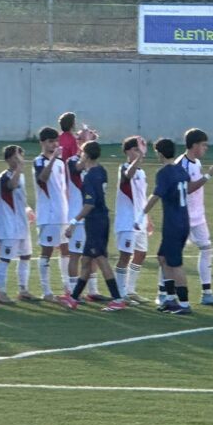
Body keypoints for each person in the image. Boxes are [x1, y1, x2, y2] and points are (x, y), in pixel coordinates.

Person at [143, 138, 213, 315]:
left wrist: (142, 213)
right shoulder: (181, 171)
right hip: (183, 221)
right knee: (162, 257)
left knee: (175, 264)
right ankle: (170, 298)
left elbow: (156, 196)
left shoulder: (164, 173)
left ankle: (184, 304)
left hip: (174, 223)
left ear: (159, 154)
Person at [62, 140, 127, 311]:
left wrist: (73, 223)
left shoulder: (90, 176)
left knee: (100, 259)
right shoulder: (102, 171)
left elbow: (89, 204)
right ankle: (74, 298)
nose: (80, 156)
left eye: (82, 152)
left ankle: (117, 298)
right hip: (102, 219)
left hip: (95, 221)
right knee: (86, 260)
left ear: (87, 155)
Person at [177, 128, 213, 306]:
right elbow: (188, 188)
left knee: (207, 248)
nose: (206, 148)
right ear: (194, 145)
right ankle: (164, 292)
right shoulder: (182, 164)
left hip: (198, 216)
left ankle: (207, 293)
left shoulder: (195, 162)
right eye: (204, 145)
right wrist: (208, 176)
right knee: (173, 255)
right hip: (184, 216)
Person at [64, 127, 103, 301]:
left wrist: (92, 146)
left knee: (93, 254)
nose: (81, 139)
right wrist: (87, 148)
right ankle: (73, 292)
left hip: (92, 215)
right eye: (80, 138)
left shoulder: (93, 164)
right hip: (77, 215)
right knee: (75, 254)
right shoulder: (72, 161)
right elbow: (79, 167)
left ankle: (93, 291)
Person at [0, 145, 36, 303]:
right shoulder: (4, 176)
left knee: (26, 255)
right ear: (9, 159)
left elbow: (20, 196)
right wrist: (20, 168)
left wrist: (27, 208)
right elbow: (11, 186)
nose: (20, 159)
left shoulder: (21, 176)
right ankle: (1, 291)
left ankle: (23, 289)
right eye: (17, 156)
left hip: (21, 223)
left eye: (21, 156)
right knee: (5, 258)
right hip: (9, 225)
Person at [33, 126, 70, 303]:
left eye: (56, 141)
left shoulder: (61, 164)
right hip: (48, 216)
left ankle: (67, 288)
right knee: (46, 252)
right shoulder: (39, 161)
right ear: (42, 143)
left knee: (65, 250)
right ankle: (46, 291)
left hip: (62, 214)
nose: (54, 145)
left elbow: (63, 189)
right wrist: (54, 158)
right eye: (50, 142)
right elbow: (42, 179)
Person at [114, 136, 151, 305]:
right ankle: (120, 293)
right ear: (127, 151)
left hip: (140, 221)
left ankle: (130, 290)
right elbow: (128, 176)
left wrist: (147, 217)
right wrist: (139, 157)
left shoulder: (142, 173)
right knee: (125, 256)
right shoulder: (124, 168)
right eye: (136, 150)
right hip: (127, 222)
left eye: (140, 149)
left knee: (141, 254)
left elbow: (142, 198)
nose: (139, 153)